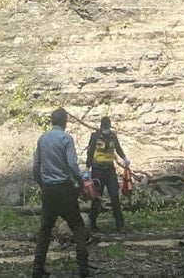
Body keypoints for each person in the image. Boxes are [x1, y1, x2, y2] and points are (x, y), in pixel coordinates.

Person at [32, 108, 90, 278]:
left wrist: (42, 184)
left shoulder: (42, 139)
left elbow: (36, 166)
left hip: (49, 190)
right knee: (78, 226)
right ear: (64, 122)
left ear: (51, 121)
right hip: (65, 189)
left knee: (45, 229)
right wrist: (81, 182)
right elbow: (72, 165)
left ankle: (37, 269)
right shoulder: (66, 139)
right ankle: (83, 268)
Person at [86, 116, 129, 233]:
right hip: (97, 170)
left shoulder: (113, 136)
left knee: (114, 196)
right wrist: (86, 169)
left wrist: (125, 158)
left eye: (107, 128)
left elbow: (118, 149)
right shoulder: (95, 137)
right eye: (104, 128)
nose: (106, 130)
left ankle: (120, 225)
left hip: (110, 170)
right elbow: (90, 153)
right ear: (101, 127)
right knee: (96, 197)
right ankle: (92, 223)